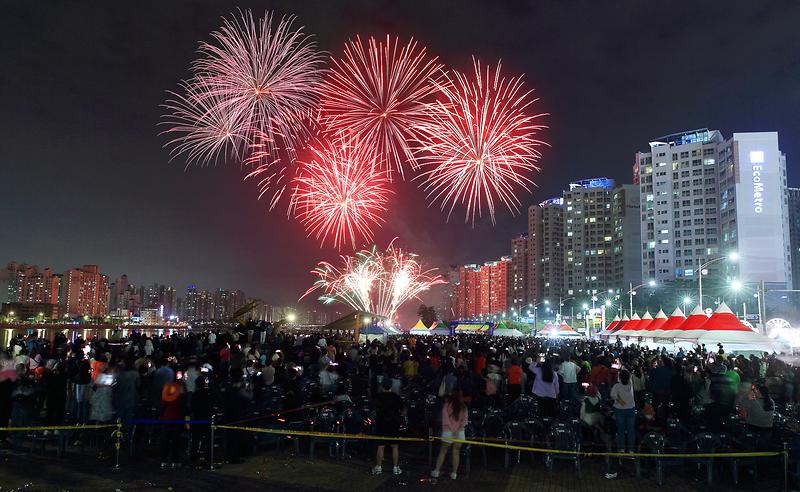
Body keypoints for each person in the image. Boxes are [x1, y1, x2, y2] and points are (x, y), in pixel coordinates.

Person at [431, 389, 468, 480]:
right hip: (459, 433)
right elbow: (464, 421)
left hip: (448, 432)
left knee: (443, 452)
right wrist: (457, 430)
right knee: (456, 453)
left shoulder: (447, 405)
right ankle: (454, 474)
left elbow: (445, 420)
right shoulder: (464, 407)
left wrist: (451, 430)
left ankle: (436, 471)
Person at [372, 378, 404, 475]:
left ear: (382, 386)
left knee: (381, 446)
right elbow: (402, 411)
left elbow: (374, 410)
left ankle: (378, 467)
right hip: (394, 423)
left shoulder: (378, 397)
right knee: (395, 446)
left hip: (381, 423)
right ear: (391, 386)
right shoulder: (396, 397)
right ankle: (395, 467)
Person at [160, 375, 184, 469]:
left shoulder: (167, 393)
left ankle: (164, 461)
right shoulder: (181, 394)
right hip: (177, 419)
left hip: (167, 418)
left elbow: (163, 405)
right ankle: (175, 461)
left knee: (165, 440)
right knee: (175, 441)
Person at [610, 369, 635, 453]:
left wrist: (619, 400)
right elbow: (629, 375)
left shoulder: (617, 386)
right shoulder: (631, 384)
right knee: (631, 430)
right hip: (631, 410)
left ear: (619, 377)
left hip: (619, 410)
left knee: (621, 430)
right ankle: (631, 449)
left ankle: (622, 449)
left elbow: (612, 395)